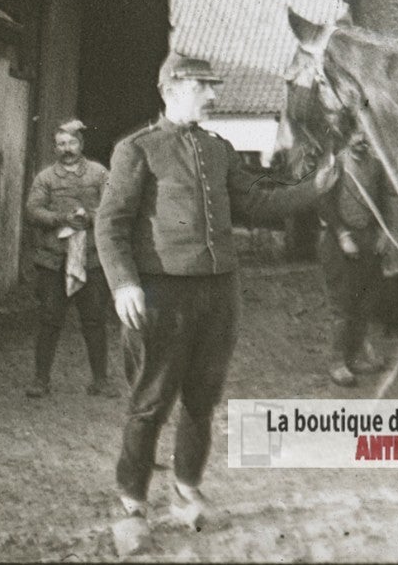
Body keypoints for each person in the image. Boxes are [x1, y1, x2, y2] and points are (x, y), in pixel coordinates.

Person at [96, 51, 337, 539]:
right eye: (203, 86)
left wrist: (316, 187)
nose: (212, 95)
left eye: (212, 86)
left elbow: (257, 200)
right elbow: (111, 223)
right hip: (162, 293)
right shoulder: (136, 149)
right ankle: (132, 505)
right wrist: (124, 283)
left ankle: (187, 491)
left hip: (218, 292)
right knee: (150, 401)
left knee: (202, 399)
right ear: (171, 88)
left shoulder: (217, 149)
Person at [25, 119, 114, 397]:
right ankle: (41, 381)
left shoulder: (99, 174)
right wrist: (59, 218)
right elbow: (32, 210)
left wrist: (91, 218)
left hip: (90, 258)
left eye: (72, 143)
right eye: (61, 144)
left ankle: (101, 381)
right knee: (49, 319)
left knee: (95, 320)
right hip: (55, 259)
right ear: (55, 147)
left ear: (81, 144)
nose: (67, 149)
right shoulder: (45, 178)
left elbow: (114, 206)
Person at [317, 130, 388, 386]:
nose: (361, 143)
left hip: (369, 240)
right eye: (356, 138)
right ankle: (338, 362)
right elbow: (324, 203)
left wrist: (383, 233)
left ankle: (355, 356)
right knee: (343, 306)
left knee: (365, 304)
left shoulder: (377, 166)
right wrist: (342, 234)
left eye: (366, 138)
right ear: (348, 138)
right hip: (339, 244)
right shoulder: (336, 164)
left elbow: (383, 202)